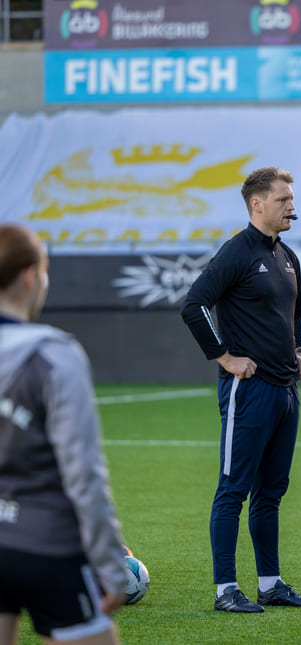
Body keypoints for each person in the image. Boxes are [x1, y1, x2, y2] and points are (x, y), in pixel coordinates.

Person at [180, 166, 301, 613]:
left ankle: (270, 584)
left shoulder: (288, 257)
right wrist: (224, 357)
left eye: (291, 199)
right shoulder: (237, 252)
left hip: (285, 392)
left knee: (271, 491)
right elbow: (193, 305)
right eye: (283, 200)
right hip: (249, 390)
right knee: (232, 490)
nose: (291, 206)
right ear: (257, 204)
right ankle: (225, 591)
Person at [0, 224, 129, 644]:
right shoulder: (54, 354)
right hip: (46, 548)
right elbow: (84, 474)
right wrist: (112, 568)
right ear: (31, 277)